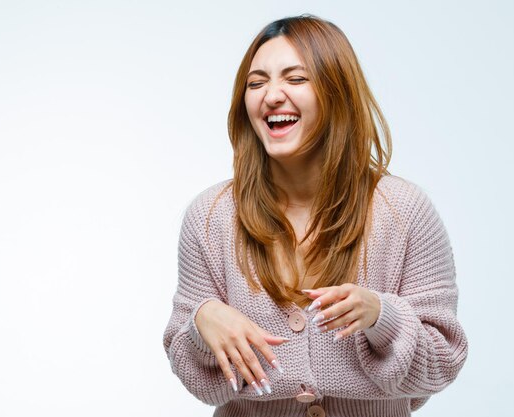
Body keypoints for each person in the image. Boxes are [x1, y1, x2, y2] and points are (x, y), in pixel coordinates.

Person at [163, 15, 468, 417]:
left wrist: (382, 317)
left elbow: (443, 362)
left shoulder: (404, 211)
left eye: (296, 79)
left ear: (336, 91)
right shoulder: (211, 216)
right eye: (256, 83)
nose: (271, 96)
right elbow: (193, 374)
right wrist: (202, 323)